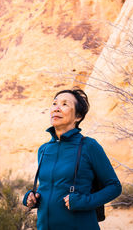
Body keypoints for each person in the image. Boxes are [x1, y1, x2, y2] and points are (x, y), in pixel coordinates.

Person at [23, 88, 122, 230]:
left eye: (64, 104)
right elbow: (49, 187)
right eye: (54, 103)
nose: (56, 108)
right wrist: (32, 198)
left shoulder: (88, 146)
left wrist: (84, 201)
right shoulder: (43, 150)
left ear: (78, 117)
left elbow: (114, 187)